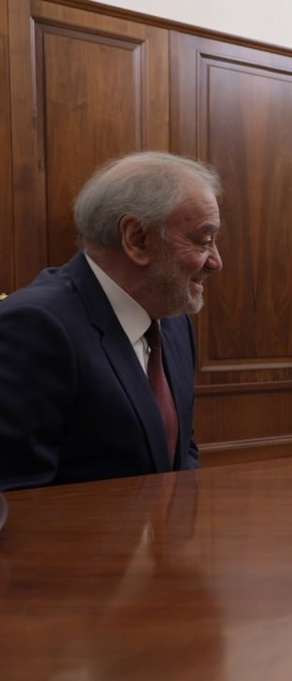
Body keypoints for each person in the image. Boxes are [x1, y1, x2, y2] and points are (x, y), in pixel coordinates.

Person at [0, 151, 223, 491]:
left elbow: (182, 453)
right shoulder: (34, 327)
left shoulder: (173, 322)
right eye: (203, 240)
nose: (215, 262)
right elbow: (17, 496)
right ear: (137, 239)